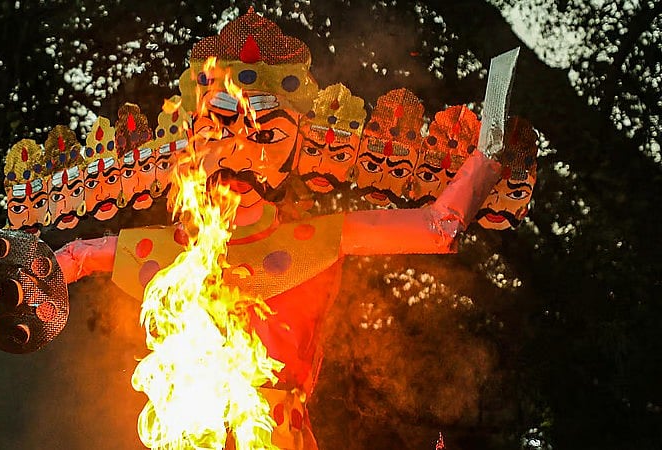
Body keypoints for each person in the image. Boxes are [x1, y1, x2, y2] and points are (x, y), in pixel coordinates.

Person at [52, 9, 502, 449]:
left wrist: (489, 153)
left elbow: (437, 227)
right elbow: (76, 257)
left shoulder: (319, 240)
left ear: (296, 150)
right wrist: (30, 276)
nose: (237, 154)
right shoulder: (175, 255)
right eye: (215, 131)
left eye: (266, 136)